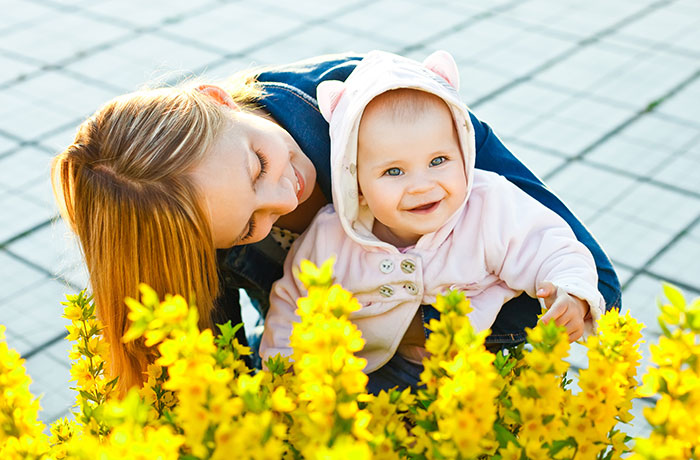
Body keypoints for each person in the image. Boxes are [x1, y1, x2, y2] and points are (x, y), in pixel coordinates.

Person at [51, 51, 620, 396]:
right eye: (250, 226)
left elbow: (597, 282)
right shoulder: (187, 227)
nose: (284, 195)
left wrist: (419, 330)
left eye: (258, 165)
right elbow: (230, 368)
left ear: (216, 98)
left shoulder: (394, 111)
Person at [259, 51, 605, 392]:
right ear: (356, 183)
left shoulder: (488, 206)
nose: (422, 185)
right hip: (366, 376)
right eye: (394, 171)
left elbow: (548, 244)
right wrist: (284, 370)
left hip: (478, 367)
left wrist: (570, 290)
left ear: (464, 153)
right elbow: (292, 302)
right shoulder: (330, 238)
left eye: (439, 160)